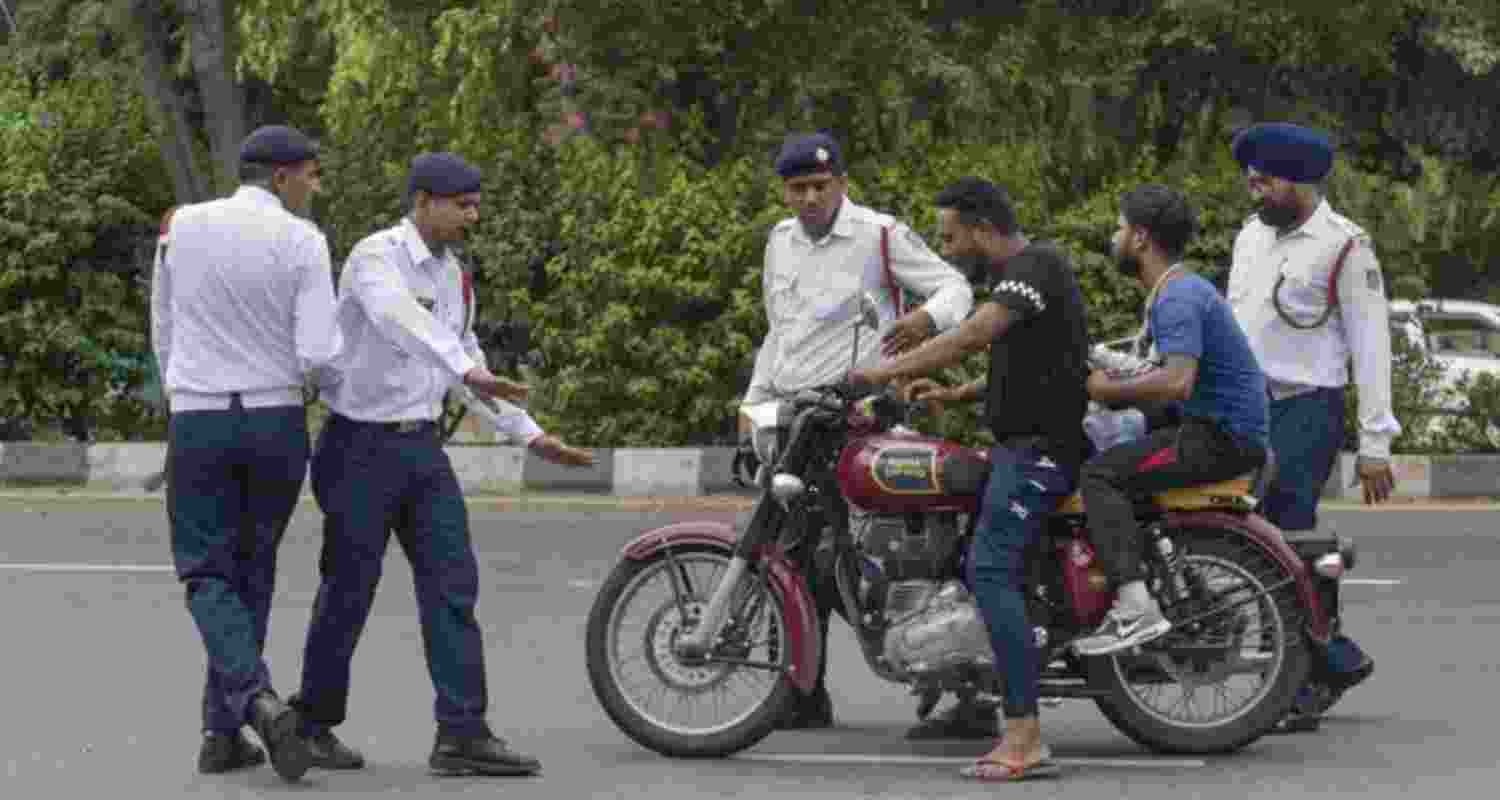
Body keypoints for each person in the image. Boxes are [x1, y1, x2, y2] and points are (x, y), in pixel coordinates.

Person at [288, 151, 593, 777]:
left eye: (475, 204)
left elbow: (466, 355)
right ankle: (313, 723)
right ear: (424, 201)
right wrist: (464, 367)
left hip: (421, 452)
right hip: (358, 449)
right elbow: (402, 324)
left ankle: (462, 732)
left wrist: (530, 436)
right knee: (348, 592)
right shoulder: (376, 257)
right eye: (462, 204)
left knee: (453, 586)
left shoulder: (455, 276)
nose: (472, 216)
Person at [849, 176, 1090, 781]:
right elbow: (1036, 362)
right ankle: (972, 694)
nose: (949, 250)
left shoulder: (1035, 266)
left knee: (989, 569)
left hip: (1039, 454)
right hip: (1020, 447)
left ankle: (1024, 737)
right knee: (962, 556)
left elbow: (972, 334)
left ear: (984, 230)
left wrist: (880, 373)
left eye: (954, 237)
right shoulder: (1026, 276)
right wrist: (954, 392)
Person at [738, 132, 976, 734]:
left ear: (841, 183)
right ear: (786, 192)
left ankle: (966, 688)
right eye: (799, 188)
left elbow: (957, 288)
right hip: (796, 420)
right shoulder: (779, 243)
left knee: (904, 554)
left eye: (822, 186)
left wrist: (923, 320)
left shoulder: (881, 234)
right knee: (790, 552)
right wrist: (754, 403)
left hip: (863, 417)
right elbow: (780, 331)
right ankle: (801, 691)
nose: (812, 197)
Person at [151, 124, 339, 782]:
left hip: (201, 417)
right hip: (273, 421)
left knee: (207, 575)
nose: (314, 189)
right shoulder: (303, 241)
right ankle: (228, 724)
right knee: (251, 571)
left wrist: (185, 397)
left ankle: (239, 713)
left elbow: (164, 326)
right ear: (281, 177)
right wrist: (309, 384)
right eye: (310, 176)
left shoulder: (183, 227)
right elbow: (318, 351)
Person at [1226, 122, 1393, 730]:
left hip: (1306, 408)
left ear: (1300, 182)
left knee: (1287, 540)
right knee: (1237, 536)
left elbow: (1372, 347)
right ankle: (1325, 661)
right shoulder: (1250, 236)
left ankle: (1313, 671)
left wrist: (1376, 444)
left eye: (1265, 180)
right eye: (1251, 178)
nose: (1254, 189)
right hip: (1244, 408)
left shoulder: (1346, 246)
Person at [1070, 184, 1270, 657]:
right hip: (1216, 427)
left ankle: (1136, 605)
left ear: (1140, 238)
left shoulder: (1176, 297)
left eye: (1119, 228)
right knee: (1113, 449)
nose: (1113, 238)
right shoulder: (1179, 289)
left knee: (1100, 476)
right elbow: (1156, 374)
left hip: (1222, 437)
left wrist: (1104, 391)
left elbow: (1176, 381)